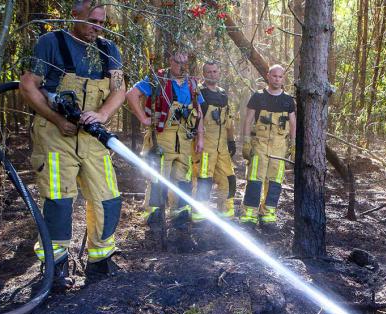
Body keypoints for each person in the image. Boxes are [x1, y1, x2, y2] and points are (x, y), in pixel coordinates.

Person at [19, 0, 125, 288]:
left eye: (102, 23)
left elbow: (119, 90)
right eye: (92, 21)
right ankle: (55, 270)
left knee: (108, 198)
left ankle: (100, 263)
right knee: (59, 202)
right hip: (56, 137)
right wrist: (56, 119)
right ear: (74, 16)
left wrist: (102, 114)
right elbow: (28, 85)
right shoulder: (51, 43)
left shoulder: (108, 50)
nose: (97, 28)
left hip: (93, 137)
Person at [125, 50, 205, 234]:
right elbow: (131, 95)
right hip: (162, 136)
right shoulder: (158, 79)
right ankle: (155, 215)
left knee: (183, 178)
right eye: (178, 62)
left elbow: (198, 112)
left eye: (186, 62)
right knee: (158, 176)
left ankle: (180, 215)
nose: (182, 66)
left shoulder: (193, 84)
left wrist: (200, 137)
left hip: (184, 139)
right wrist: (144, 119)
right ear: (171, 61)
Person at [240, 64, 296, 230]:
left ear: (283, 78)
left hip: (279, 148)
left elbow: (293, 123)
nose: (277, 79)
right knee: (255, 179)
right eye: (274, 76)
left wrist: (292, 145)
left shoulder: (288, 100)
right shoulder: (258, 97)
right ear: (268, 76)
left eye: (280, 77)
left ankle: (268, 215)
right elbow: (248, 119)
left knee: (275, 181)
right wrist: (245, 141)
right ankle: (249, 215)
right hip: (260, 145)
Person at [193, 60, 237, 221]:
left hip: (222, 147)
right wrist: (199, 139)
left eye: (215, 71)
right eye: (209, 72)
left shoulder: (223, 94)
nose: (212, 74)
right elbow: (195, 120)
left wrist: (231, 141)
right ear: (204, 74)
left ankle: (225, 212)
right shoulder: (198, 93)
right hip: (204, 146)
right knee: (203, 180)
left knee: (229, 178)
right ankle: (199, 214)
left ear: (219, 73)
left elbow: (229, 121)